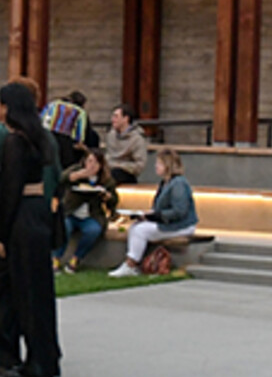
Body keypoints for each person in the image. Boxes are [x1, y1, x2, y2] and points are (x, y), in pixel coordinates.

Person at [0, 80, 62, 377]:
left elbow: (10, 189)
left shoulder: (14, 141)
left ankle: (36, 364)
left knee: (20, 291)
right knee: (37, 291)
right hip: (38, 215)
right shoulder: (42, 137)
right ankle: (44, 355)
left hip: (21, 217)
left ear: (9, 108)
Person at [111, 148, 198, 277]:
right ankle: (132, 264)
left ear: (168, 165)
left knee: (141, 230)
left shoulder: (178, 184)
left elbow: (179, 211)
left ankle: (131, 264)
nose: (156, 166)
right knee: (135, 227)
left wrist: (156, 216)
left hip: (181, 225)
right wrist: (147, 215)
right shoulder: (165, 183)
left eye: (159, 163)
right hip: (167, 221)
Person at [55, 145, 111, 273]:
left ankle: (76, 258)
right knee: (64, 227)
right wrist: (75, 176)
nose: (91, 166)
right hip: (71, 212)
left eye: (96, 163)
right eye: (89, 161)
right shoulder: (76, 171)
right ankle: (56, 259)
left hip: (90, 215)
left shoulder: (105, 180)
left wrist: (107, 197)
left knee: (93, 230)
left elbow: (113, 199)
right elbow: (61, 179)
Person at [103, 105, 150, 189]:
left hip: (126, 173)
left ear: (125, 119)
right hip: (109, 169)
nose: (112, 120)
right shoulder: (111, 135)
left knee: (114, 175)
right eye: (112, 116)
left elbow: (140, 165)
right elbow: (108, 156)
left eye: (116, 116)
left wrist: (120, 166)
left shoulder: (137, 139)